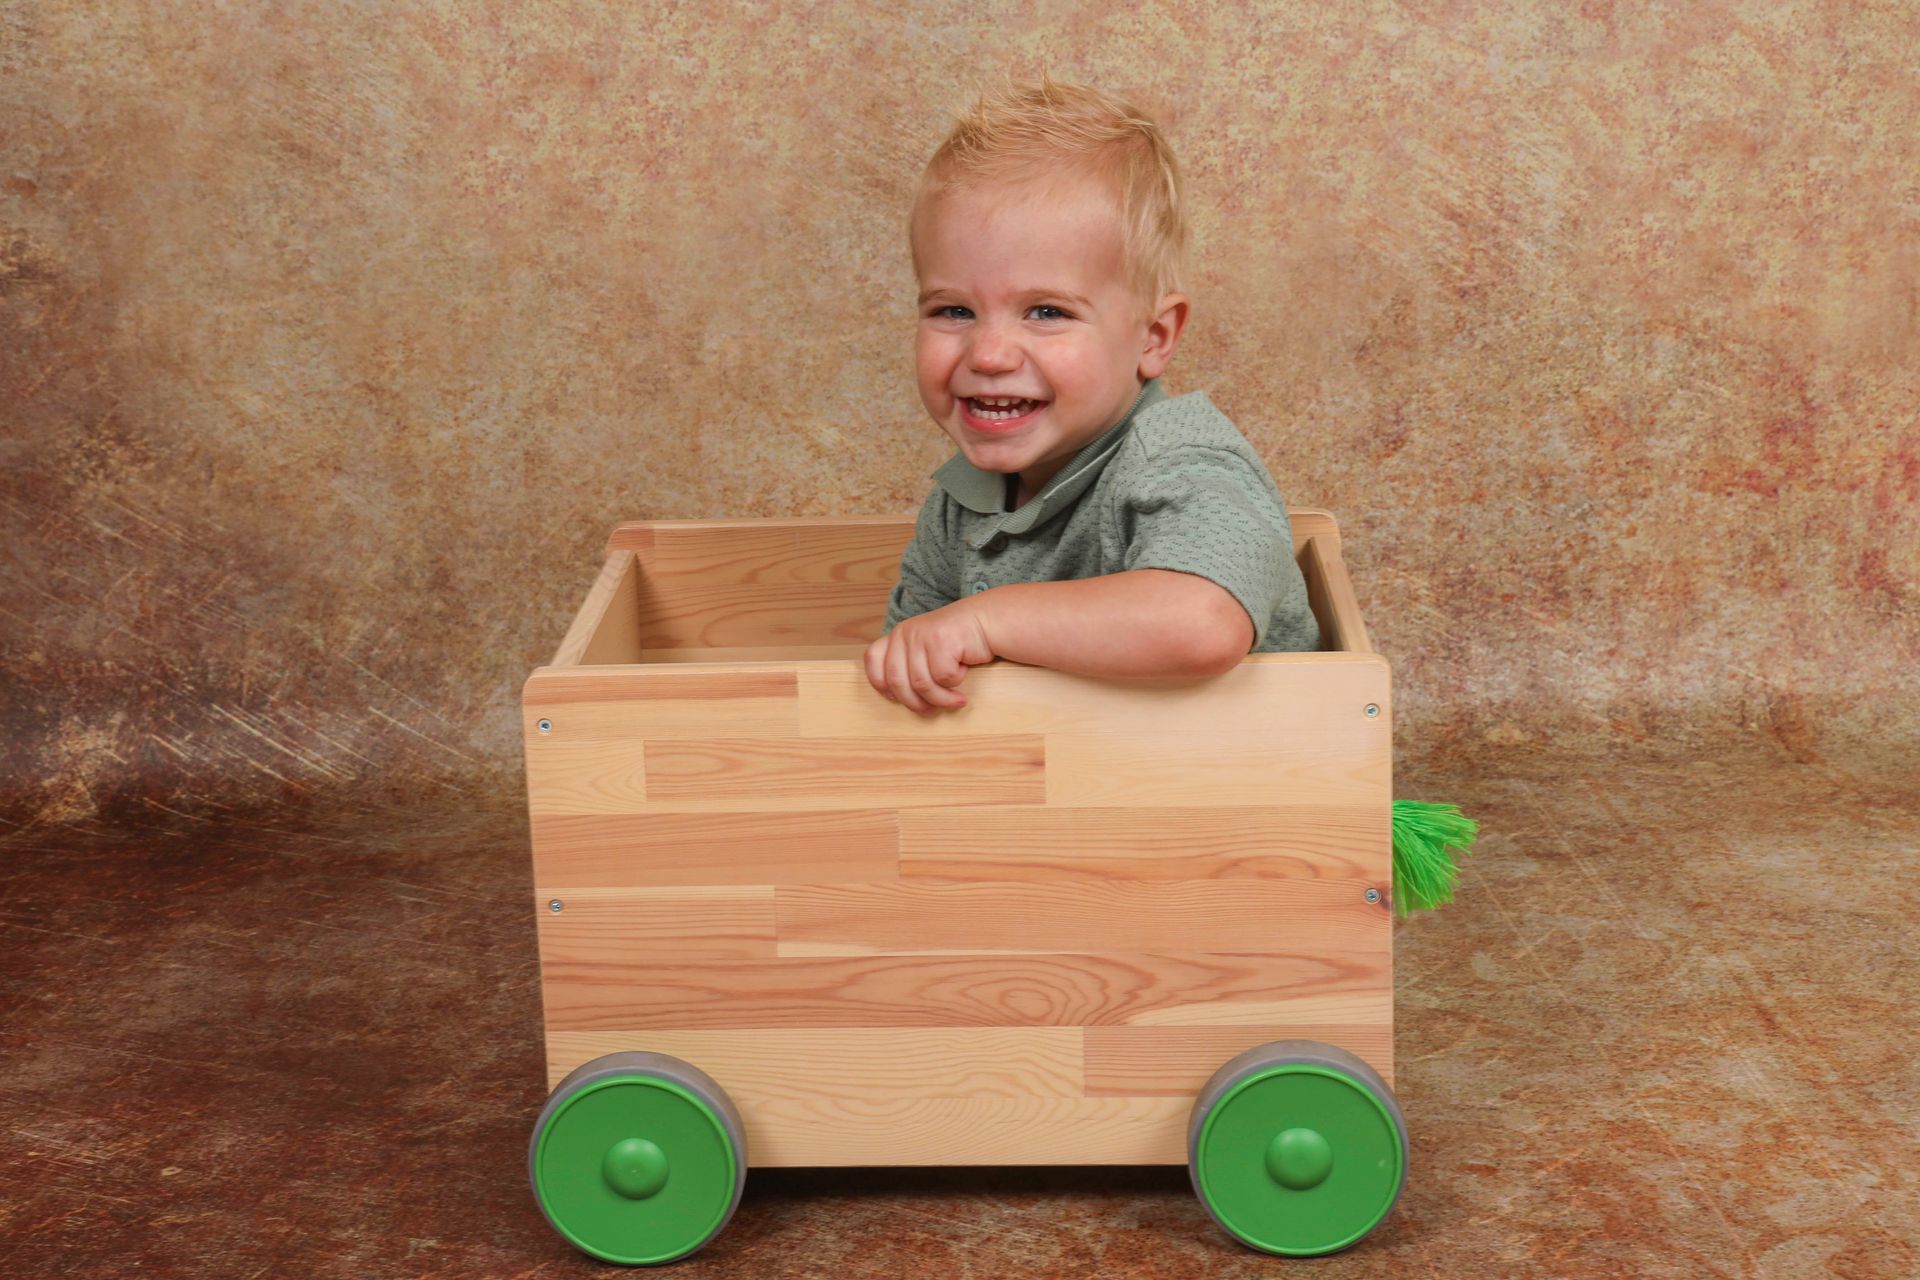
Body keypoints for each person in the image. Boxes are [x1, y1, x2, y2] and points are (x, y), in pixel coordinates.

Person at [865, 75, 1320, 714]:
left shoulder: (1181, 462)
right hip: (1059, 786)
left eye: (1046, 312)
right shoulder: (961, 501)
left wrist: (985, 620)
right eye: (955, 310)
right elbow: (913, 661)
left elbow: (1202, 623)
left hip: (1247, 779)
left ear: (1153, 338)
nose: (989, 354)